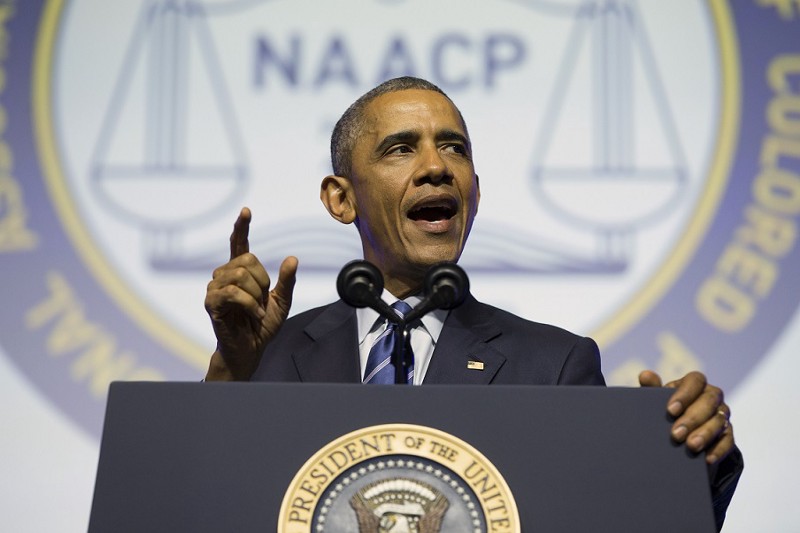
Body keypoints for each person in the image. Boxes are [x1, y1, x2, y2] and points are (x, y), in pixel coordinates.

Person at [203, 77, 742, 529]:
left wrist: (685, 462)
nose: (436, 167)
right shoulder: (266, 357)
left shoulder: (554, 366)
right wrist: (232, 369)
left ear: (475, 193)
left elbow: (604, 519)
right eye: (401, 148)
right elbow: (200, 505)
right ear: (341, 199)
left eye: (454, 148)